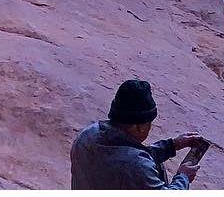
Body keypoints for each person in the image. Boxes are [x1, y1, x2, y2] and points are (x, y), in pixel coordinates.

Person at [70, 78, 208, 189]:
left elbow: (129, 157)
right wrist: (183, 177)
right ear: (139, 127)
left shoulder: (87, 135)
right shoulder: (138, 166)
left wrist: (172, 145)